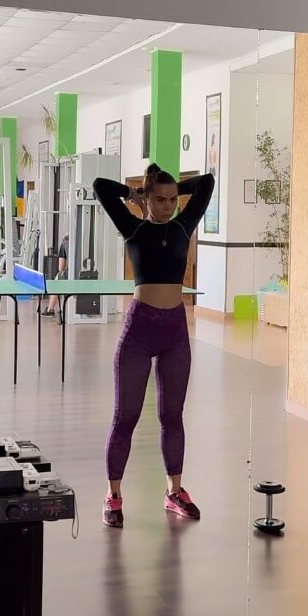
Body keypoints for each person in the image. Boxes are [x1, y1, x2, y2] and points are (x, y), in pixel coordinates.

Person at [93, 164, 214, 528]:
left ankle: (174, 492)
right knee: (125, 417)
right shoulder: (133, 227)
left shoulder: (183, 226)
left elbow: (207, 182)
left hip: (175, 331)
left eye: (173, 199)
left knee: (172, 416)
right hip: (139, 331)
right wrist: (132, 194)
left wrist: (176, 186)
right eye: (160, 199)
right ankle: (113, 496)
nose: (168, 206)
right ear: (147, 199)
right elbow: (100, 185)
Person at [42, 234, 68, 316]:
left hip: (71, 274)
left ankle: (50, 309)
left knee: (57, 280)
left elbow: (61, 268)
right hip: (85, 272)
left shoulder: (64, 243)